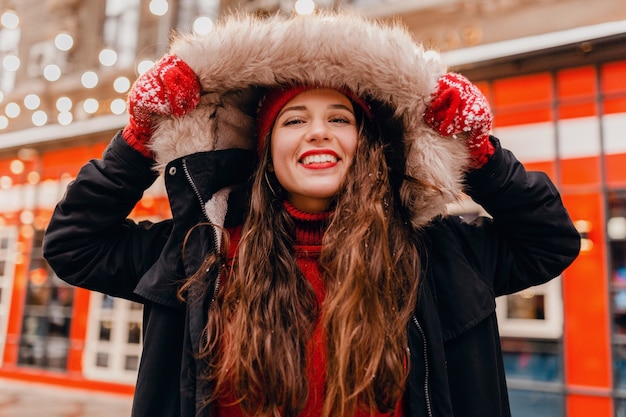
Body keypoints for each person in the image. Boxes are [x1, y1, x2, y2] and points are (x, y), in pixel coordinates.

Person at [42, 10, 580, 417]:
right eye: (294, 119)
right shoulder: (199, 254)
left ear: (363, 143)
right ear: (267, 147)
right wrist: (138, 140)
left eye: (339, 118)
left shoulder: (438, 254)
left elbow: (548, 241)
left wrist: (481, 154)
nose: (318, 131)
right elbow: (74, 246)